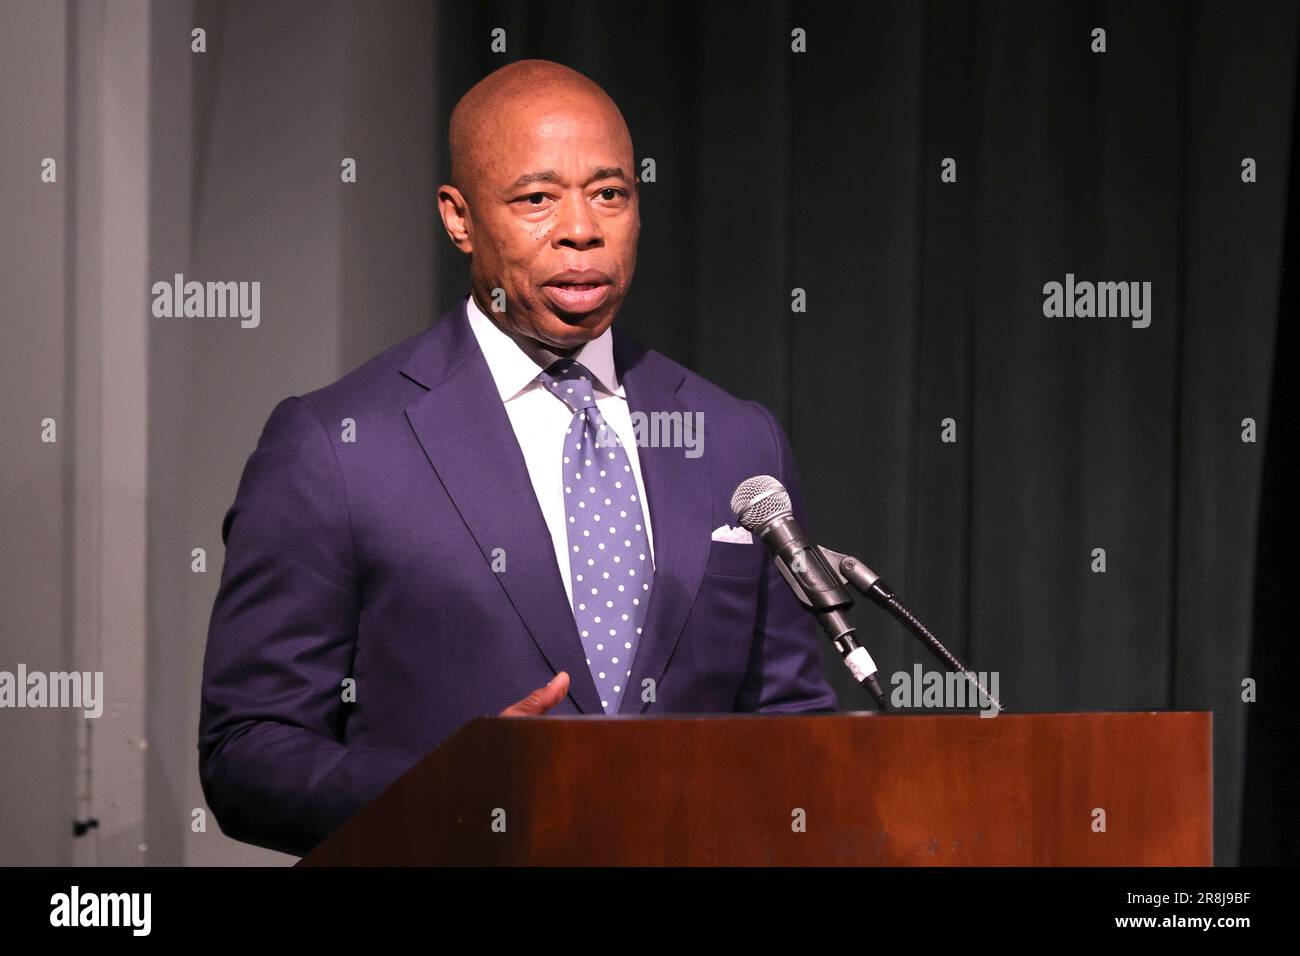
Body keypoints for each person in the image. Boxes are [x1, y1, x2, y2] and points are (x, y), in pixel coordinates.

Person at [198, 59, 837, 857]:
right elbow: (247, 752)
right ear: (459, 218)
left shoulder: (734, 435)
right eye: (537, 199)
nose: (582, 228)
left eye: (611, 194)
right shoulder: (335, 447)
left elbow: (791, 724)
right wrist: (452, 787)